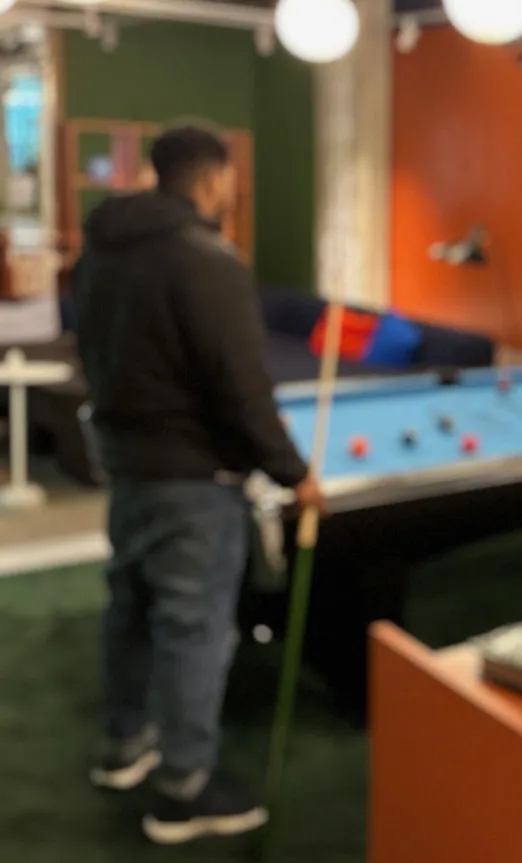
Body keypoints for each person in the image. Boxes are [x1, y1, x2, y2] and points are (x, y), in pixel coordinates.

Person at [73, 126, 324, 844]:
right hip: (193, 479)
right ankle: (182, 790)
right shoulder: (207, 259)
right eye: (231, 181)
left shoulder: (103, 250)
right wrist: (295, 474)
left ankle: (126, 745)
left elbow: (92, 352)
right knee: (193, 628)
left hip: (127, 465)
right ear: (212, 180)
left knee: (132, 603)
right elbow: (242, 391)